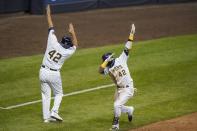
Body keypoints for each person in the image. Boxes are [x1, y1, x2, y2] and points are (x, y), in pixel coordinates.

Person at [39, 4, 78, 123]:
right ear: (68, 45)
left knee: (45, 95)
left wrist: (48, 13)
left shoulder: (52, 40)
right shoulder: (67, 51)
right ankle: (54, 112)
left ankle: (46, 118)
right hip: (54, 74)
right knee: (59, 93)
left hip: (42, 71)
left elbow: (50, 26)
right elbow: (76, 45)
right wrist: (73, 32)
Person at [99, 24, 136, 130]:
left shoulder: (121, 59)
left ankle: (115, 125)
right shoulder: (108, 68)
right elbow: (100, 70)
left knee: (116, 105)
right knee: (117, 105)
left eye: (105, 61)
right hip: (119, 89)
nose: (104, 63)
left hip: (128, 88)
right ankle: (129, 110)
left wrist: (132, 34)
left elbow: (127, 47)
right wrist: (106, 61)